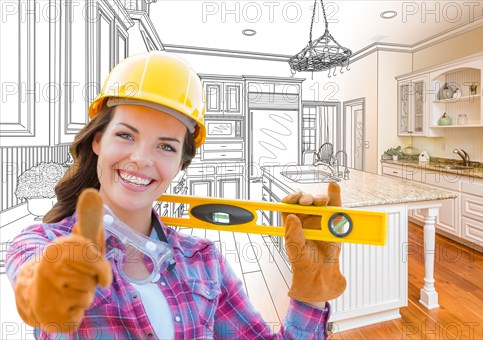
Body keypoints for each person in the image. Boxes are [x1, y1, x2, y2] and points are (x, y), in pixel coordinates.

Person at [6, 51, 346, 339]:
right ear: (98, 141)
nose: (141, 159)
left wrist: (309, 293)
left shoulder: (204, 261)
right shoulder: (40, 242)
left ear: (180, 163)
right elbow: (34, 284)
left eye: (166, 146)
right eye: (125, 135)